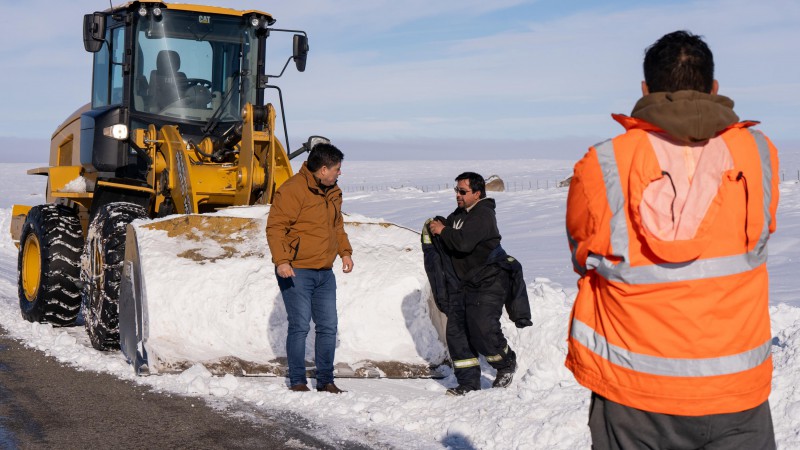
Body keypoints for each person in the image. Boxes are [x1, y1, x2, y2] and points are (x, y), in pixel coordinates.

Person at [565, 30, 779, 448]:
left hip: (633, 395)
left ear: (645, 89)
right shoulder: (758, 152)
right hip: (737, 394)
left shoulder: (604, 162)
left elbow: (582, 251)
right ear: (714, 88)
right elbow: (757, 236)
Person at [426, 172, 531, 396]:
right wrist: (441, 227)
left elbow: (463, 243)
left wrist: (443, 230)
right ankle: (468, 383)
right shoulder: (459, 215)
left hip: (490, 279)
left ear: (477, 193)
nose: (458, 195)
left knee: (483, 327)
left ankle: (505, 364)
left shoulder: (483, 214)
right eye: (456, 190)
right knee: (457, 333)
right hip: (464, 284)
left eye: (462, 192)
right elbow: (451, 238)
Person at [266, 142, 354, 394]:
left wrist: (344, 252)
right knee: (300, 326)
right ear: (324, 169)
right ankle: (297, 381)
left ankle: (326, 380)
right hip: (296, 270)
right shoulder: (292, 190)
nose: (339, 173)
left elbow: (337, 226)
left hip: (325, 272)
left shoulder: (333, 191)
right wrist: (281, 260)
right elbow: (275, 228)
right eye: (337, 169)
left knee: (328, 326)